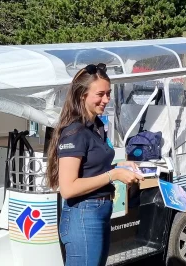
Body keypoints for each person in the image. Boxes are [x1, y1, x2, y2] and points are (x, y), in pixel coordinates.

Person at [45, 63, 145, 266]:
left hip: (99, 211)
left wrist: (120, 166)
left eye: (108, 94)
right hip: (83, 214)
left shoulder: (97, 126)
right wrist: (113, 175)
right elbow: (68, 188)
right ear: (82, 95)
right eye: (100, 94)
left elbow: (92, 167)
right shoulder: (75, 132)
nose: (106, 100)